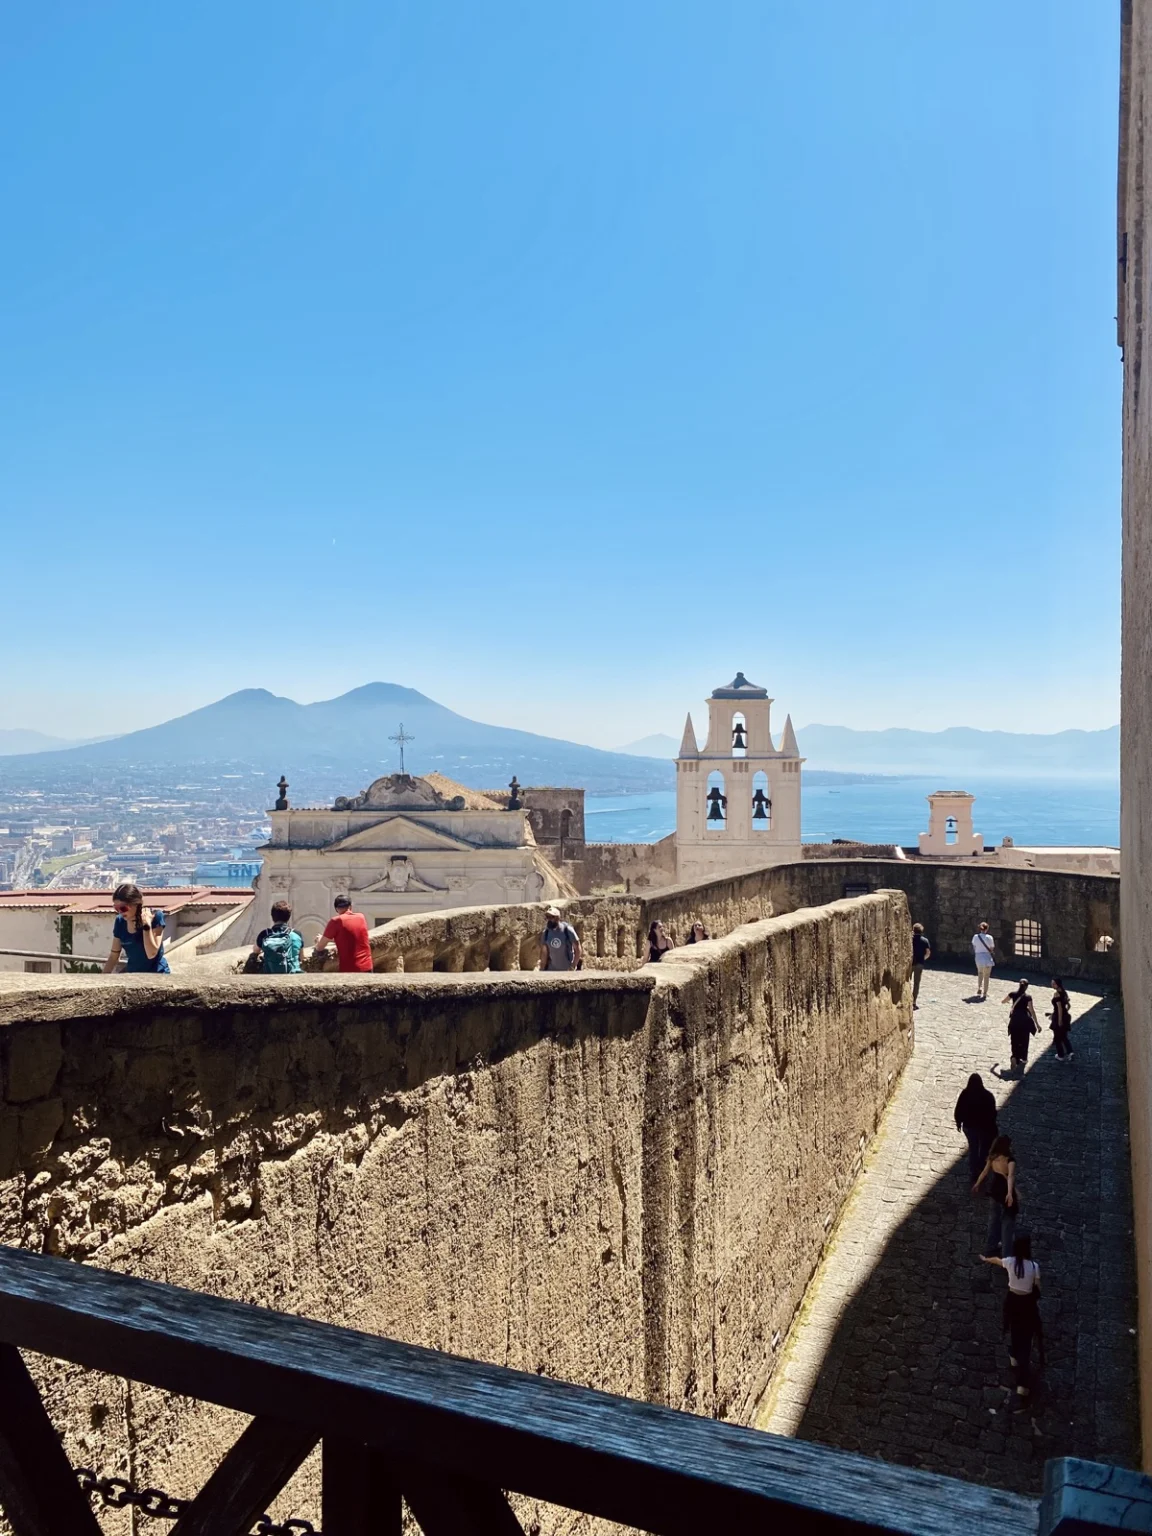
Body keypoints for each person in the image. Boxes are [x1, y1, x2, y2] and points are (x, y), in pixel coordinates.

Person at [980, 1234, 1042, 1407]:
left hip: (1012, 1303)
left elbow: (997, 1261)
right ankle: (1023, 1383)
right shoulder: (1034, 1267)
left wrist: (985, 1259)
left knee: (1014, 1330)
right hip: (1027, 1305)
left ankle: (1014, 1355)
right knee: (1026, 1339)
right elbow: (1038, 1287)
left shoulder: (1010, 1262)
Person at [103, 883, 170, 974]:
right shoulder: (120, 921)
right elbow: (114, 956)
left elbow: (151, 953)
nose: (120, 912)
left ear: (136, 904)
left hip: (157, 974)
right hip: (134, 975)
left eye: (123, 908)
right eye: (116, 909)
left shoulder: (156, 917)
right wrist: (102, 978)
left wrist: (146, 925)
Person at [974, 1134, 1021, 1259]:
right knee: (1007, 1223)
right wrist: (1010, 1193)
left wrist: (977, 1184)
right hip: (1005, 1191)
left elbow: (985, 1172)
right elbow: (1010, 1177)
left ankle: (991, 1247)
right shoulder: (1010, 1160)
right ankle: (1006, 1255)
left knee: (993, 1219)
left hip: (994, 1190)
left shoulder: (993, 1157)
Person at [954, 1072, 998, 1183]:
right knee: (983, 1149)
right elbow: (993, 1114)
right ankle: (981, 1168)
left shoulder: (965, 1094)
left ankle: (974, 1171)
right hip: (984, 1128)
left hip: (969, 1127)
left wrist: (959, 1122)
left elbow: (958, 1109)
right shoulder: (988, 1096)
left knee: (973, 1149)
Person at [316, 895, 373, 973]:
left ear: (336, 909)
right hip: (367, 966)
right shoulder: (361, 917)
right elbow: (350, 938)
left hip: (350, 969)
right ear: (350, 907)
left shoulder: (336, 921)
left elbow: (320, 947)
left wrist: (319, 940)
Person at [253, 900, 303, 974]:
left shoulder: (265, 934)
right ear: (289, 917)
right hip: (293, 975)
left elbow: (255, 951)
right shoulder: (297, 934)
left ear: (272, 917)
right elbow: (302, 957)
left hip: (270, 975)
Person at [1003, 980, 1040, 1069]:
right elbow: (1032, 1010)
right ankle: (1023, 1058)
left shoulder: (1012, 994)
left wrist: (1010, 1003)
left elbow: (1003, 1001)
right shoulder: (1028, 997)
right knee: (1024, 1040)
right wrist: (1037, 1024)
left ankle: (1014, 1057)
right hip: (1024, 1021)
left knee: (1014, 1039)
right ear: (1027, 987)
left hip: (1015, 1020)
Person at [539, 906, 583, 971]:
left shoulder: (567, 930)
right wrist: (542, 969)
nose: (549, 919)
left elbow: (577, 948)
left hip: (567, 970)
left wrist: (573, 965)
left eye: (552, 917)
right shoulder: (546, 933)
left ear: (558, 918)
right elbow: (544, 953)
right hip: (551, 971)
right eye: (548, 917)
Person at [1049, 978, 1074, 1061]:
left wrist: (1059, 1020)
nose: (1052, 985)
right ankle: (1070, 1051)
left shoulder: (1057, 994)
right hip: (1065, 1016)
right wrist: (1064, 1012)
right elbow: (1068, 1005)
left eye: (1053, 983)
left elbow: (1059, 1008)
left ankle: (1060, 1055)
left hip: (1058, 1017)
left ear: (1057, 984)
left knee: (1057, 1037)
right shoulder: (1064, 992)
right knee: (1064, 1036)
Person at [971, 922, 996, 999]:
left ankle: (979, 988)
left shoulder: (975, 937)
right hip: (987, 957)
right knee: (986, 976)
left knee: (980, 973)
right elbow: (991, 948)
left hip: (978, 957)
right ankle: (985, 993)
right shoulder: (990, 937)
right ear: (987, 929)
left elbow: (974, 946)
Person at [911, 922, 932, 1008]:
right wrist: (923, 959)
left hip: (910, 963)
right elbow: (928, 953)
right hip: (919, 963)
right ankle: (913, 1001)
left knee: (907, 981)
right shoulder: (925, 940)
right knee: (916, 983)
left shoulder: (910, 939)